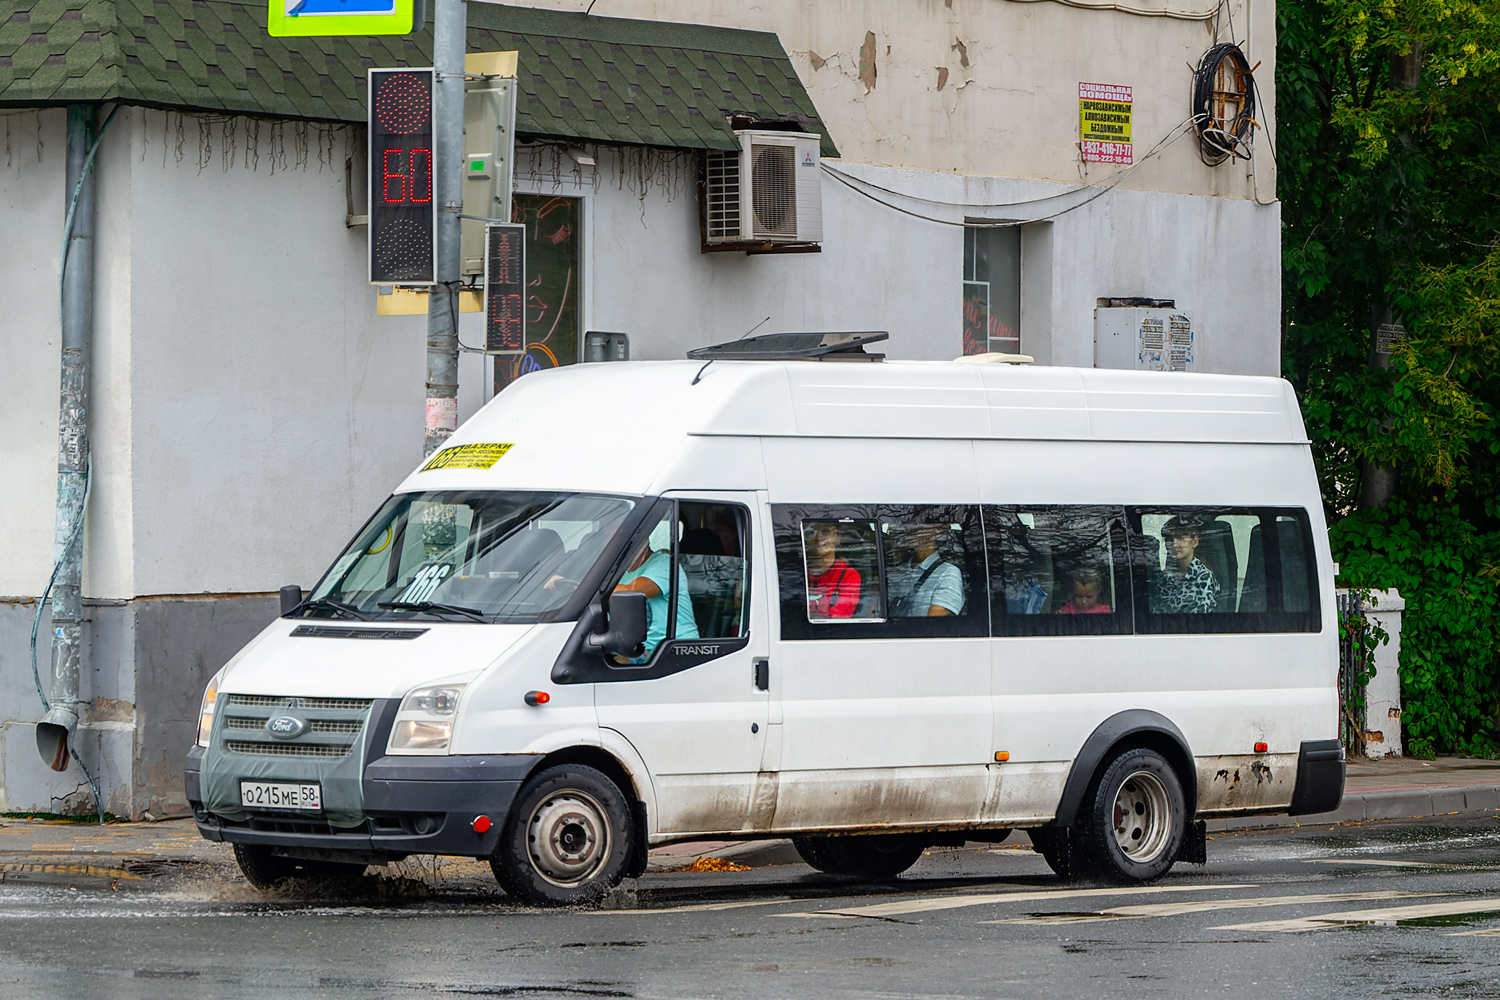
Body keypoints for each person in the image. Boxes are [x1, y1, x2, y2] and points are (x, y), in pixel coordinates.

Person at [614, 539, 698, 660]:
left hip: (676, 650)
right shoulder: (619, 573)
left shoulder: (664, 563)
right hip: (639, 651)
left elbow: (632, 592)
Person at [1149, 515, 1221, 614]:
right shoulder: (1162, 578)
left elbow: (1201, 619)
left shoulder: (1204, 577)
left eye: (1180, 539)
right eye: (1169, 540)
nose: (1174, 544)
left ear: (1195, 542)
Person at [892, 524, 964, 617]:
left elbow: (934, 626)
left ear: (935, 533)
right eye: (909, 526)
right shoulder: (897, 571)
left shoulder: (948, 573)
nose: (911, 529)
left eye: (919, 527)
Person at [804, 522, 861, 619]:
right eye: (811, 532)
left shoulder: (848, 575)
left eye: (825, 532)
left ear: (837, 538)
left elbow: (836, 620)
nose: (819, 538)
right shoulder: (796, 572)